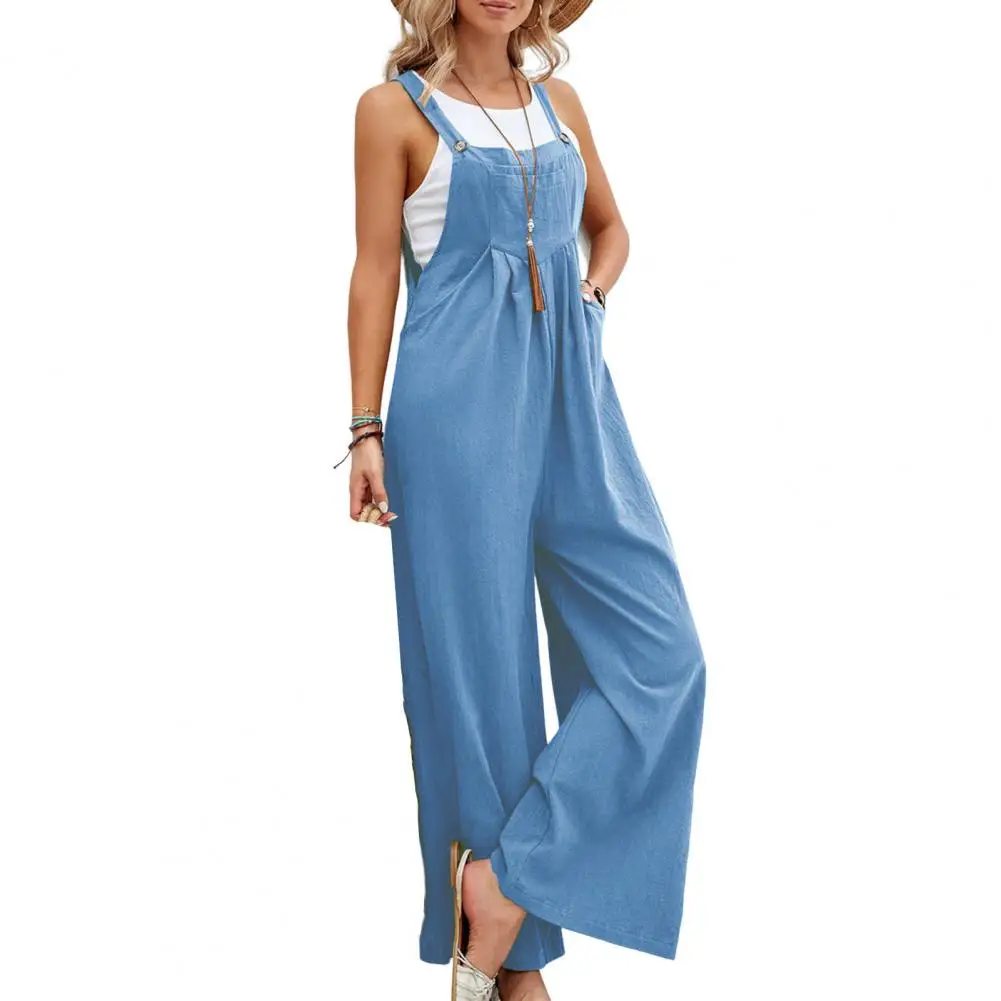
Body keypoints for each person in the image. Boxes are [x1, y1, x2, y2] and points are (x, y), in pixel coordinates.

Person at [342, 2, 707, 998]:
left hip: (572, 396)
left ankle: (501, 881)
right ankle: (516, 970)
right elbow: (374, 271)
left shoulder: (563, 104)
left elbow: (610, 229)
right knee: (480, 680)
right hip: (453, 403)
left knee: (663, 653)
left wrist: (590, 296)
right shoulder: (392, 111)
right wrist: (365, 427)